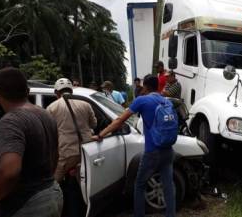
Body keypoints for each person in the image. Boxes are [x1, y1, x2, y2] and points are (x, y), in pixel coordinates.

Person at [92, 75, 176, 217]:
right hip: (168, 149)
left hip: (152, 152)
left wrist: (101, 135)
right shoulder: (166, 101)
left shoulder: (142, 100)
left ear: (146, 87)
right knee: (168, 185)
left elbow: (119, 121)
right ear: (157, 86)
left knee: (139, 185)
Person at [0, 67, 62, 217]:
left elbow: (10, 171)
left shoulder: (11, 121)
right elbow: (55, 156)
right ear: (28, 91)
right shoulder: (45, 114)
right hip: (52, 193)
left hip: (27, 205)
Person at [47, 78, 96, 217]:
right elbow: (93, 124)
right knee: (83, 187)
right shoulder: (85, 104)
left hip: (65, 155)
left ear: (57, 92)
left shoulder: (52, 107)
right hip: (85, 152)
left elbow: (49, 132)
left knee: (53, 186)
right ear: (71, 90)